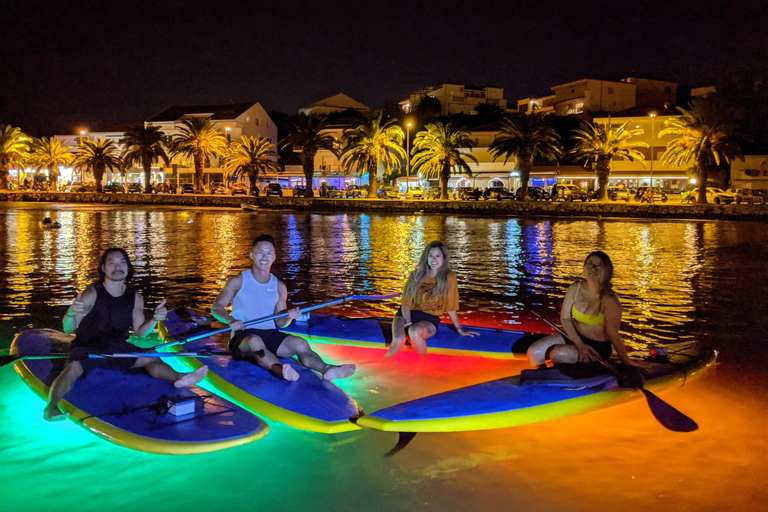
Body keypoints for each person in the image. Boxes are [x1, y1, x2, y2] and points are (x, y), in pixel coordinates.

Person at [44, 248, 208, 421]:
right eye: (111, 263)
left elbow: (140, 333)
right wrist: (70, 313)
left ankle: (179, 378)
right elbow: (68, 329)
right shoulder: (91, 293)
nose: (118, 267)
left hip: (117, 346)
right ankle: (52, 406)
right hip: (88, 346)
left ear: (128, 267)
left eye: (122, 262)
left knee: (152, 356)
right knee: (73, 369)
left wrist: (154, 319)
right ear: (103, 268)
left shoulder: (135, 297)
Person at [212, 234, 355, 381]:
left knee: (300, 343)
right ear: (252, 255)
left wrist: (288, 317)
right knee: (255, 341)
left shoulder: (279, 287)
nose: (264, 257)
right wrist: (230, 320)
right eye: (260, 252)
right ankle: (281, 371)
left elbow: (280, 323)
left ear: (274, 257)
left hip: (270, 333)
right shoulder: (238, 281)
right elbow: (216, 307)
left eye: (268, 253)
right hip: (243, 335)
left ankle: (327, 369)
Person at [527, 251, 634, 368]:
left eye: (599, 266)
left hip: (597, 347)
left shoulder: (611, 302)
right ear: (584, 268)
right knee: (534, 352)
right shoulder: (575, 288)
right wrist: (579, 344)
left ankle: (561, 376)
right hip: (574, 336)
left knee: (559, 353)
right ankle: (541, 378)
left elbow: (614, 336)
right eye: (590, 264)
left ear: (607, 271)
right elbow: (565, 318)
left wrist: (627, 363)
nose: (593, 269)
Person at [387, 241, 478, 358]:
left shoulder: (449, 277)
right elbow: (406, 303)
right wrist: (408, 323)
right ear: (426, 257)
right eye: (430, 255)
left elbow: (451, 307)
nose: (434, 259)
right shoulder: (415, 275)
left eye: (438, 256)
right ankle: (385, 366)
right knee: (398, 339)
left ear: (444, 258)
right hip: (405, 315)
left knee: (414, 332)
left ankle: (422, 366)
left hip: (429, 319)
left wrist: (459, 329)